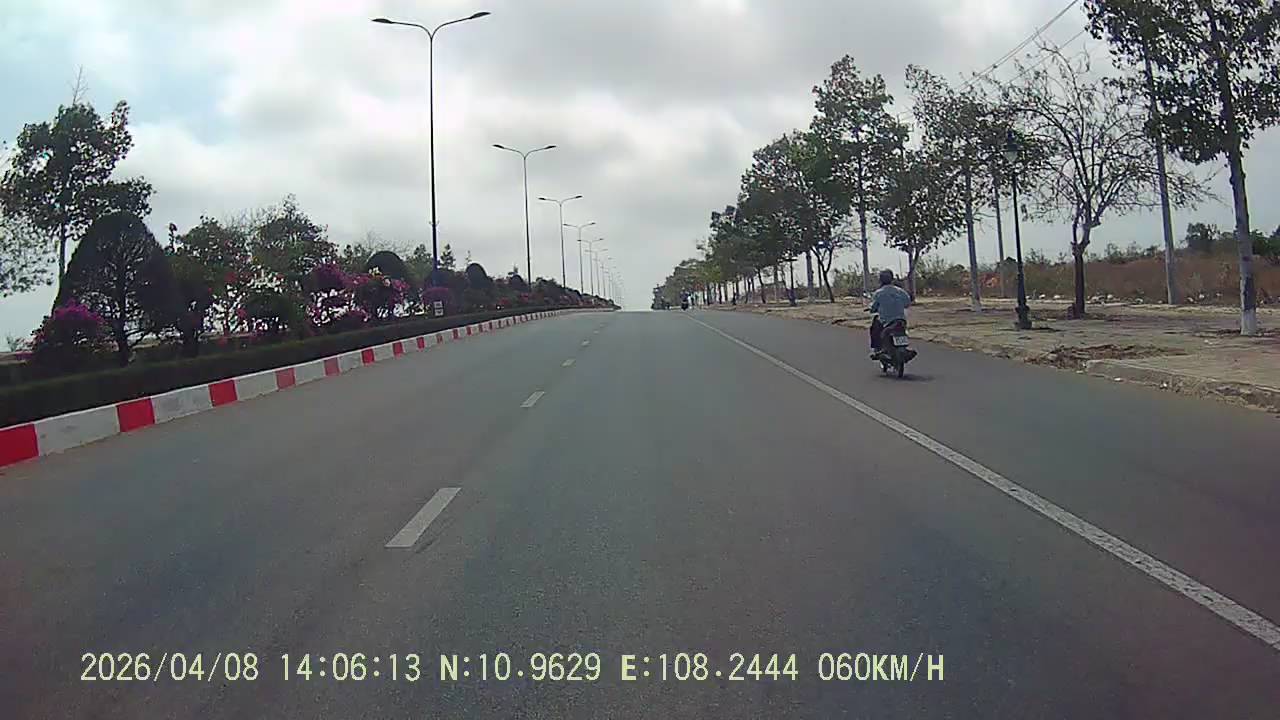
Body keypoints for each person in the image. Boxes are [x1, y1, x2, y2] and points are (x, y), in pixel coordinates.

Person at [869, 269, 911, 359]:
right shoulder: (901, 291)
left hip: (887, 321)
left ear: (880, 280)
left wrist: (872, 309)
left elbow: (873, 308)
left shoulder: (878, 293)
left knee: (875, 326)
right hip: (901, 320)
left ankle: (877, 348)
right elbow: (907, 303)